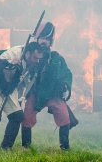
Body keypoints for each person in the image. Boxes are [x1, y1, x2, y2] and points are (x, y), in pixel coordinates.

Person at [21, 22, 76, 151]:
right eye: (42, 38)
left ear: (50, 42)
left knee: (64, 117)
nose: (44, 41)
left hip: (54, 94)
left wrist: (64, 86)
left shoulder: (57, 58)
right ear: (37, 39)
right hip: (35, 92)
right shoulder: (30, 56)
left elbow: (67, 74)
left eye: (47, 39)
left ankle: (65, 148)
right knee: (27, 116)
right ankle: (25, 147)